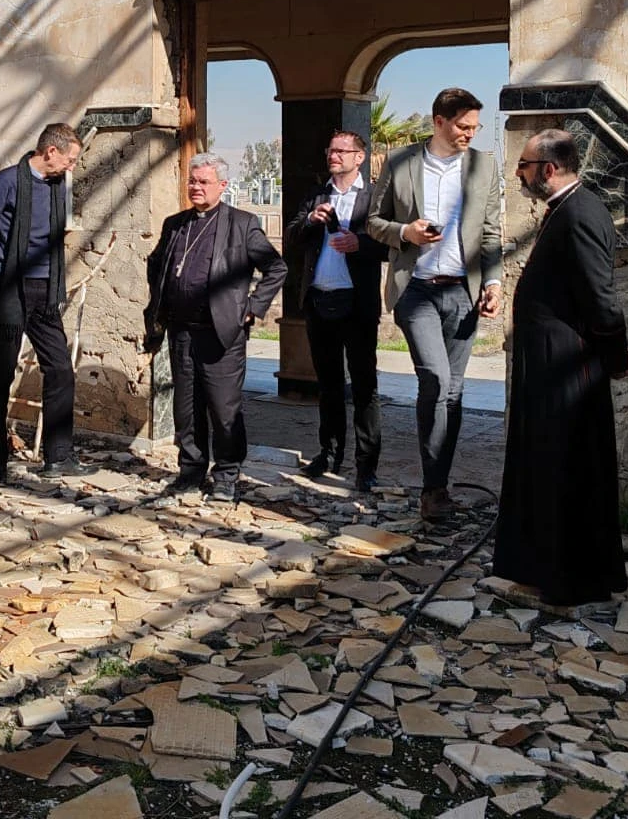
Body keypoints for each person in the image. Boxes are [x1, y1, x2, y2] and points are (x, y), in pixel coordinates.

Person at [494, 129, 628, 608]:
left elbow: (601, 298)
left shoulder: (578, 213)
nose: (519, 173)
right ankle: (543, 570)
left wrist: (616, 356)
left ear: (549, 169)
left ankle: (571, 581)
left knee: (568, 471)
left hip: (567, 368)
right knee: (548, 467)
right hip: (553, 364)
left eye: (525, 165)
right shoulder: (566, 210)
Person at [367, 88, 503, 521]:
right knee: (437, 381)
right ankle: (434, 487)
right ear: (439, 122)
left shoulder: (484, 165)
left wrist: (494, 282)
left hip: (463, 292)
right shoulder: (401, 162)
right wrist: (406, 232)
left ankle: (436, 489)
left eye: (475, 128)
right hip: (417, 289)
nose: (470, 134)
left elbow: (490, 232)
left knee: (456, 391)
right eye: (463, 126)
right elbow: (373, 222)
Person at [145, 153, 287, 502]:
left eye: (203, 182)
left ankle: (226, 474)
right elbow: (157, 265)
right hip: (181, 331)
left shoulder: (242, 223)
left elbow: (276, 268)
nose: (195, 187)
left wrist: (252, 307)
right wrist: (160, 305)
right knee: (186, 407)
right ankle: (190, 471)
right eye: (192, 181)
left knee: (224, 409)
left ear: (222, 186)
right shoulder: (175, 223)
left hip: (221, 333)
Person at [0, 122, 83, 483]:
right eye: (70, 159)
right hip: (7, 288)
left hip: (45, 289)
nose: (72, 166)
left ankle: (58, 456)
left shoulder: (58, 184)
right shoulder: (7, 182)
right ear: (50, 152)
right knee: (2, 373)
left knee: (60, 368)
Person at [283, 130, 387, 491]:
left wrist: (361, 243)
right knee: (327, 385)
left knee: (363, 386)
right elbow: (291, 238)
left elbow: (393, 245)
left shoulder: (375, 198)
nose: (334, 156)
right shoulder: (316, 194)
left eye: (343, 151)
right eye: (331, 150)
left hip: (357, 304)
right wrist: (311, 220)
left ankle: (366, 464)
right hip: (318, 300)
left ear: (360, 157)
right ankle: (329, 453)